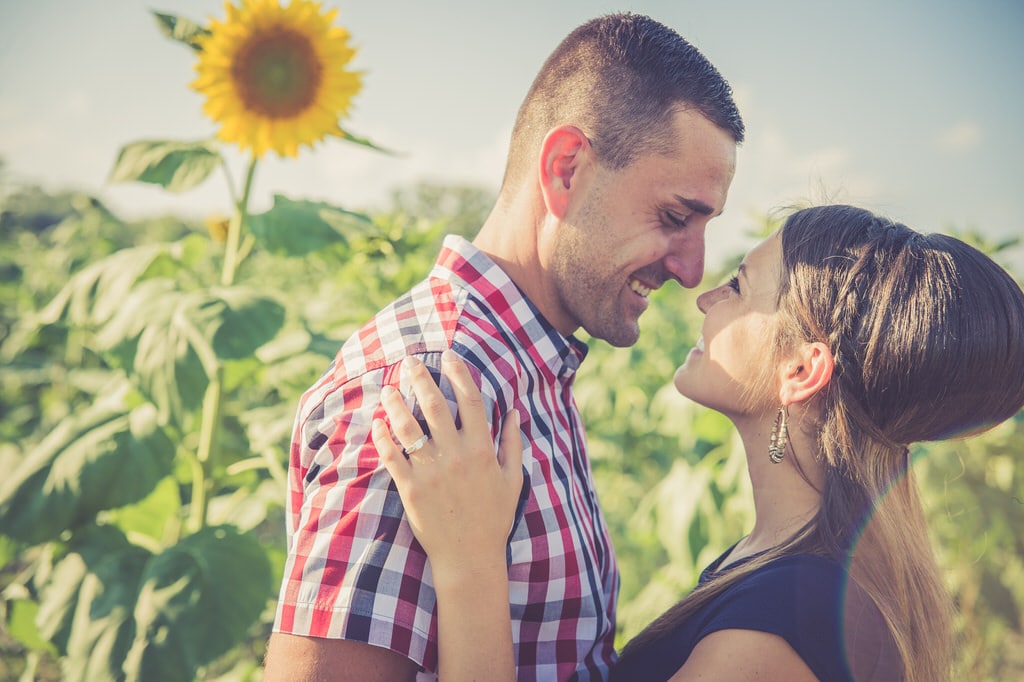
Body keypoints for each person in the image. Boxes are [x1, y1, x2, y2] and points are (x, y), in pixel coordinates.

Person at [263, 12, 745, 681]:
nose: (692, 269)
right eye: (673, 217)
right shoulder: (427, 390)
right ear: (566, 169)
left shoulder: (524, 367)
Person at [373, 204, 1024, 681]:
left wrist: (468, 566)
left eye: (740, 286)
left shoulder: (768, 639)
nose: (706, 296)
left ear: (801, 370)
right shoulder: (804, 570)